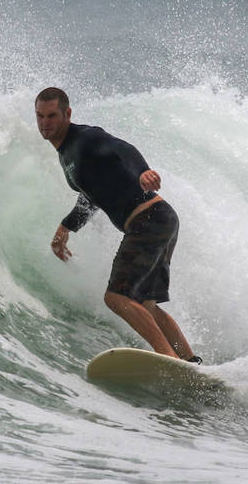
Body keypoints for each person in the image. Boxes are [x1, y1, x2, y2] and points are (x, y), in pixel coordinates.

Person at [35, 87, 200, 363]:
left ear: (67, 114)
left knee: (116, 297)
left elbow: (123, 149)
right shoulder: (67, 154)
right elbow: (92, 197)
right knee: (147, 304)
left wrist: (143, 171)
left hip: (148, 220)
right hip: (161, 219)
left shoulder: (85, 137)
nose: (45, 122)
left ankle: (168, 358)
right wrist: (66, 228)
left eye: (52, 115)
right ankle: (190, 362)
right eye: (40, 116)